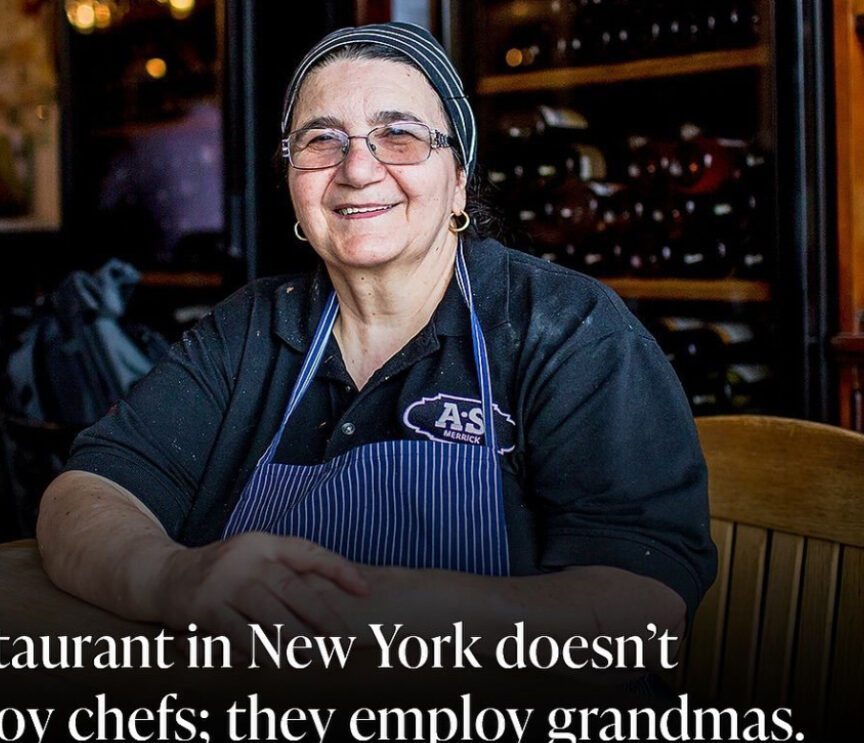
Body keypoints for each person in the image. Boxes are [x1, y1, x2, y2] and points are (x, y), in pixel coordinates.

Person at [37, 23, 715, 656]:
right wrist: (170, 579)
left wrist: (393, 614)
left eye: (399, 136)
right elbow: (83, 495)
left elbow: (643, 604)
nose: (357, 169)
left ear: (458, 184)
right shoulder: (250, 329)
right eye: (321, 140)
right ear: (295, 187)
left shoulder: (565, 329)